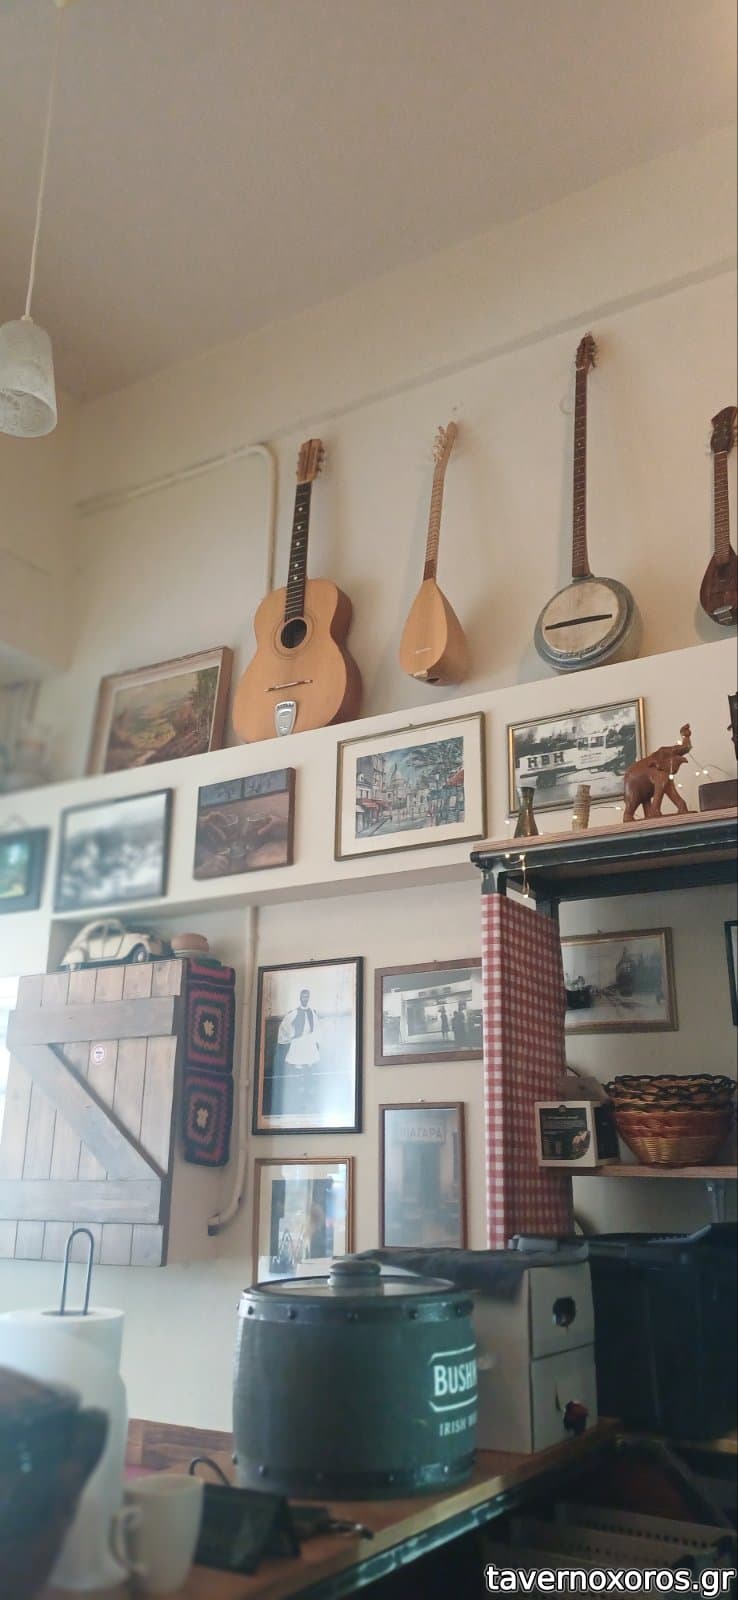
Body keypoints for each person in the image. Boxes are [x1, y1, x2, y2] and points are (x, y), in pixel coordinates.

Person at [276, 988, 321, 1112]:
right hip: (298, 1042)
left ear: (309, 998)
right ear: (300, 998)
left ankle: (307, 1091)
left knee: (309, 1066)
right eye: (303, 996)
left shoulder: (312, 1012)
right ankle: (297, 1092)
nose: (305, 998)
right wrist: (291, 1035)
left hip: (309, 1041)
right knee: (297, 1066)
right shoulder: (294, 1012)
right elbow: (284, 1026)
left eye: (307, 996)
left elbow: (317, 1028)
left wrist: (316, 1041)